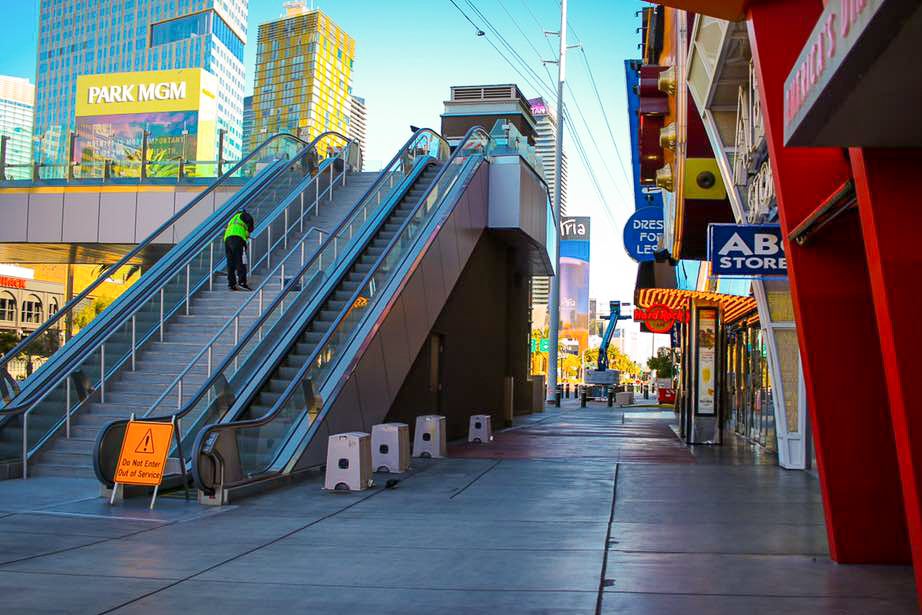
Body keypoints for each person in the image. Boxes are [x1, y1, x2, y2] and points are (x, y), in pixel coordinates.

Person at [224, 209, 254, 291]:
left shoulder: (233, 219)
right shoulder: (244, 215)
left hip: (227, 239)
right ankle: (242, 282)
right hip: (237, 238)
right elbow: (251, 226)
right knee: (240, 260)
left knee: (230, 262)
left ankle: (231, 283)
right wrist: (248, 232)